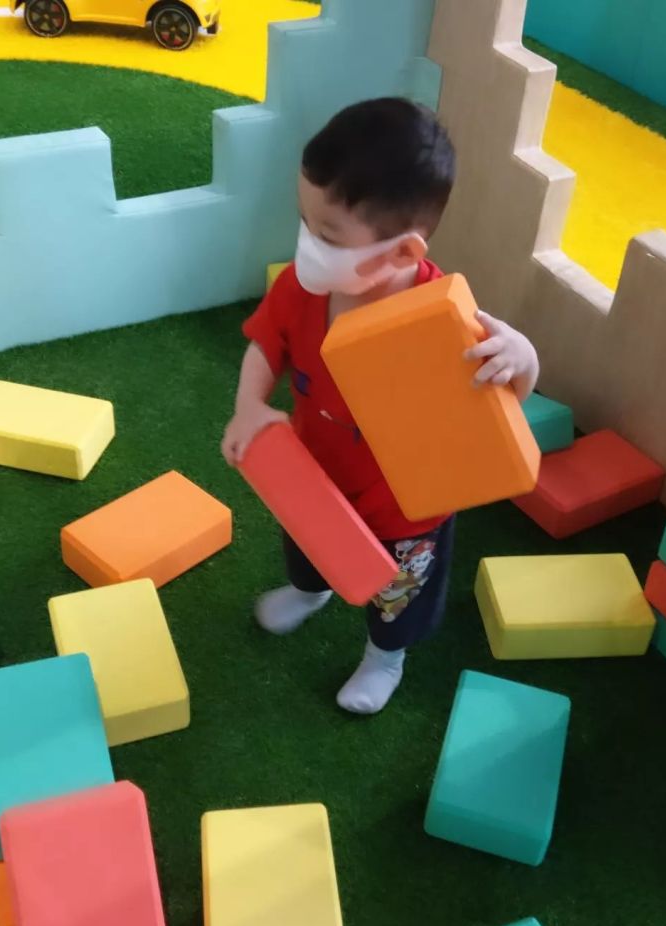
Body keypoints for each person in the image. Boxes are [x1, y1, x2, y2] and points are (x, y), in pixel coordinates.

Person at [222, 97, 539, 715]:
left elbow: (492, 410)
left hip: (406, 508)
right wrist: (248, 405)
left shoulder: (440, 321)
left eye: (327, 235)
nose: (307, 244)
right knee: (309, 548)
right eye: (305, 221)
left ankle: (384, 657)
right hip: (316, 475)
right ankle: (309, 592)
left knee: (398, 596)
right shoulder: (305, 288)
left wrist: (521, 358)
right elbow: (266, 343)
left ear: (402, 253)